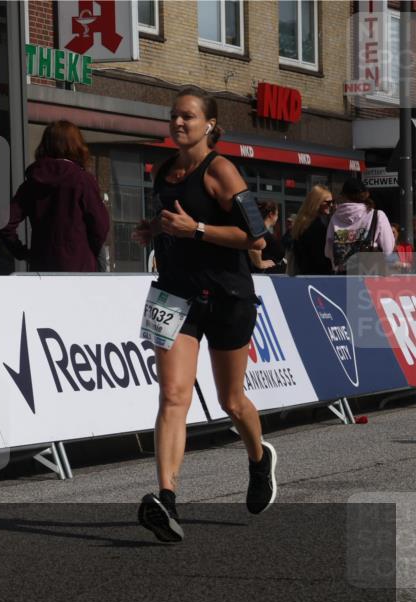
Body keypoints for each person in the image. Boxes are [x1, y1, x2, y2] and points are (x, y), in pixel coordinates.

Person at [132, 86, 274, 543]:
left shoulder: (221, 171)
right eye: (174, 115)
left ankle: (259, 459)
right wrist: (154, 229)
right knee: (172, 396)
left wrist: (194, 229)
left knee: (232, 401)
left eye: (188, 116)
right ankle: (167, 499)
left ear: (209, 124)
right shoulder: (164, 170)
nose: (178, 122)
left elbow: (256, 239)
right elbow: (171, 218)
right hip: (173, 295)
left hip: (227, 295)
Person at [0, 120, 109, 272]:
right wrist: (87, 252)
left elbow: (4, 222)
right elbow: (100, 226)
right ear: (76, 146)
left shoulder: (32, 183)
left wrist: (23, 253)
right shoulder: (82, 180)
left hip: (42, 269)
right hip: (79, 271)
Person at [325, 177, 394, 275]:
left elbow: (328, 252)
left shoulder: (335, 217)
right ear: (365, 194)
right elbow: (387, 249)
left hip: (343, 275)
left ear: (343, 196)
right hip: (369, 274)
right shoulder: (377, 216)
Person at [286, 185, 334, 276]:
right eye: (328, 202)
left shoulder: (302, 224)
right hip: (318, 277)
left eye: (332, 202)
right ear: (317, 203)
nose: (331, 205)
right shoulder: (316, 226)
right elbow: (320, 258)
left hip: (304, 275)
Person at [249, 199, 285, 274]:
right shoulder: (260, 231)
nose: (277, 217)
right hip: (260, 275)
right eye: (277, 214)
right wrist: (260, 263)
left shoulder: (261, 231)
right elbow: (254, 249)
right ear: (271, 214)